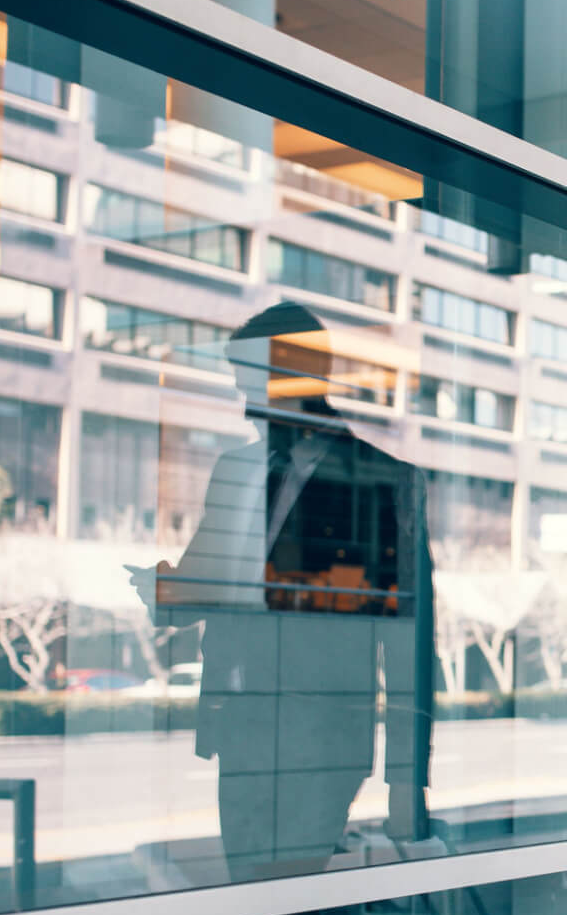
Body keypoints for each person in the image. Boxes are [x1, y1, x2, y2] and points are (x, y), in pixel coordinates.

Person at [134, 302, 436, 880]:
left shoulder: (381, 481)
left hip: (320, 743)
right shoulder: (236, 471)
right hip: (238, 731)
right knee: (252, 910)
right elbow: (208, 585)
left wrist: (406, 779)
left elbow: (411, 644)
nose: (244, 401)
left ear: (297, 377)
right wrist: (165, 590)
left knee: (282, 913)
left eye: (251, 382)